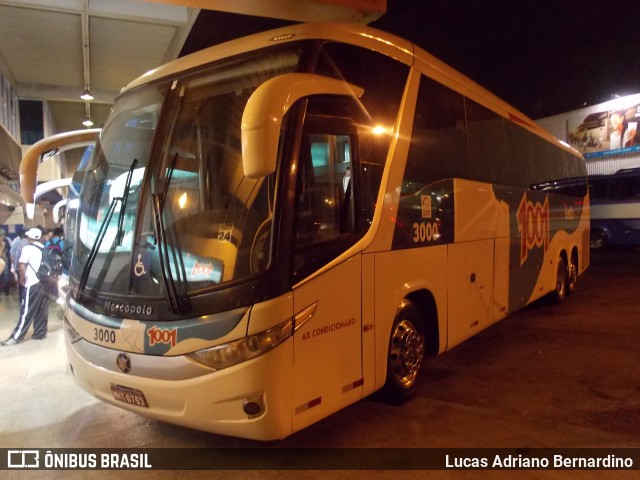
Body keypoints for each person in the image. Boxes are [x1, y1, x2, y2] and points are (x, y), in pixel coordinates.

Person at [1, 228, 51, 346]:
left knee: (26, 311)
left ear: (30, 237)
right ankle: (40, 333)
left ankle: (16, 337)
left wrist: (21, 280)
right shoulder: (44, 248)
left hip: (33, 282)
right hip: (45, 282)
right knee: (42, 309)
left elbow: (22, 265)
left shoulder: (28, 248)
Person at [10, 229, 29, 301]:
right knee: (26, 282)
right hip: (26, 267)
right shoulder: (28, 243)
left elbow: (12, 255)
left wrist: (14, 264)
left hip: (17, 267)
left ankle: (21, 297)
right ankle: (25, 297)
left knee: (20, 282)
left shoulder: (15, 242)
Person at [0, 229, 11, 296]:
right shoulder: (3, 243)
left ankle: (6, 291)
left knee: (6, 276)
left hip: (4, 261)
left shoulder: (5, 241)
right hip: (2, 262)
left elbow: (9, 251)